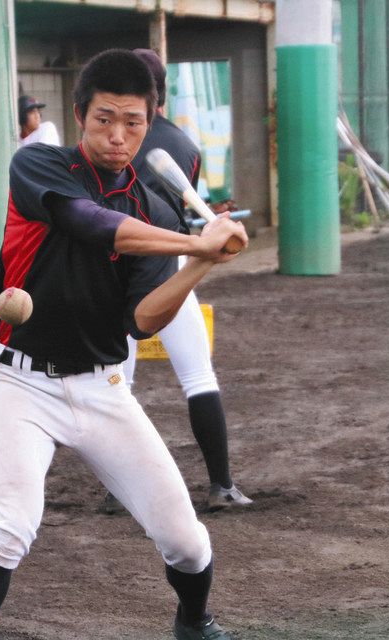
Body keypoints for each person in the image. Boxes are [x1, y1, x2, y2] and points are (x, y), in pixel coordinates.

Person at [0, 49, 248, 640]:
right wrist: (193, 244)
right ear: (80, 115)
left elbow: (141, 321)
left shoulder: (154, 205)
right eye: (103, 119)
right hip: (21, 381)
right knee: (10, 528)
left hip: (103, 388)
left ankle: (193, 621)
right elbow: (92, 223)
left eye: (132, 122)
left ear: (151, 121)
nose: (117, 136)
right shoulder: (39, 166)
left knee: (187, 543)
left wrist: (204, 263)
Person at [102, 49, 251, 514]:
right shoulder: (183, 145)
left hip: (112, 277)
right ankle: (222, 485)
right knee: (198, 376)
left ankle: (116, 491)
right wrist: (207, 237)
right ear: (163, 91)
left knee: (115, 387)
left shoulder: (105, 141)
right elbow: (179, 221)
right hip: (169, 273)